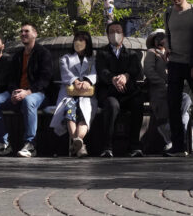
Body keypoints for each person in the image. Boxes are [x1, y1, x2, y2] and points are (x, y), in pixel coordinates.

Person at [0, 22, 52, 158]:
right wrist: (14, 91)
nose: (23, 34)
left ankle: (30, 145)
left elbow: (45, 80)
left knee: (28, 101)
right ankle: (4, 144)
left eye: (26, 31)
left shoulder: (43, 53)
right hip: (18, 92)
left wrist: (27, 92)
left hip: (37, 93)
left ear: (35, 34)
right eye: (21, 31)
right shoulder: (17, 56)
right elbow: (10, 79)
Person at [162, 0, 193, 157]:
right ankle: (178, 146)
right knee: (173, 104)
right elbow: (167, 34)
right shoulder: (168, 12)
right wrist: (166, 48)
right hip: (175, 63)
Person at [95, 21, 144, 158]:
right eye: (112, 31)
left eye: (118, 31)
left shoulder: (132, 54)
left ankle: (134, 146)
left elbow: (137, 71)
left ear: (123, 34)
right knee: (111, 105)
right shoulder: (102, 53)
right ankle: (107, 147)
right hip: (110, 93)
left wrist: (126, 76)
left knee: (137, 103)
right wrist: (113, 79)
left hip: (129, 93)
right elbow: (101, 70)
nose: (115, 34)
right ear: (107, 35)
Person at [49, 30, 96, 157]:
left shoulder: (93, 58)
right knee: (70, 111)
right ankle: (80, 146)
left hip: (86, 94)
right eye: (76, 39)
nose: (78, 42)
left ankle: (76, 143)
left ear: (87, 42)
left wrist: (87, 81)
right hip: (69, 94)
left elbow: (94, 73)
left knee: (84, 115)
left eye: (82, 40)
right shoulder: (65, 58)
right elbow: (65, 73)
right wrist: (75, 81)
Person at [142, 30, 174, 152]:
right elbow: (149, 71)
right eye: (157, 38)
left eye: (163, 37)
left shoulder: (171, 53)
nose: (160, 40)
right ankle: (169, 138)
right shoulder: (152, 53)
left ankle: (181, 136)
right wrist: (161, 82)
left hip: (173, 90)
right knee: (163, 110)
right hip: (158, 91)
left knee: (185, 103)